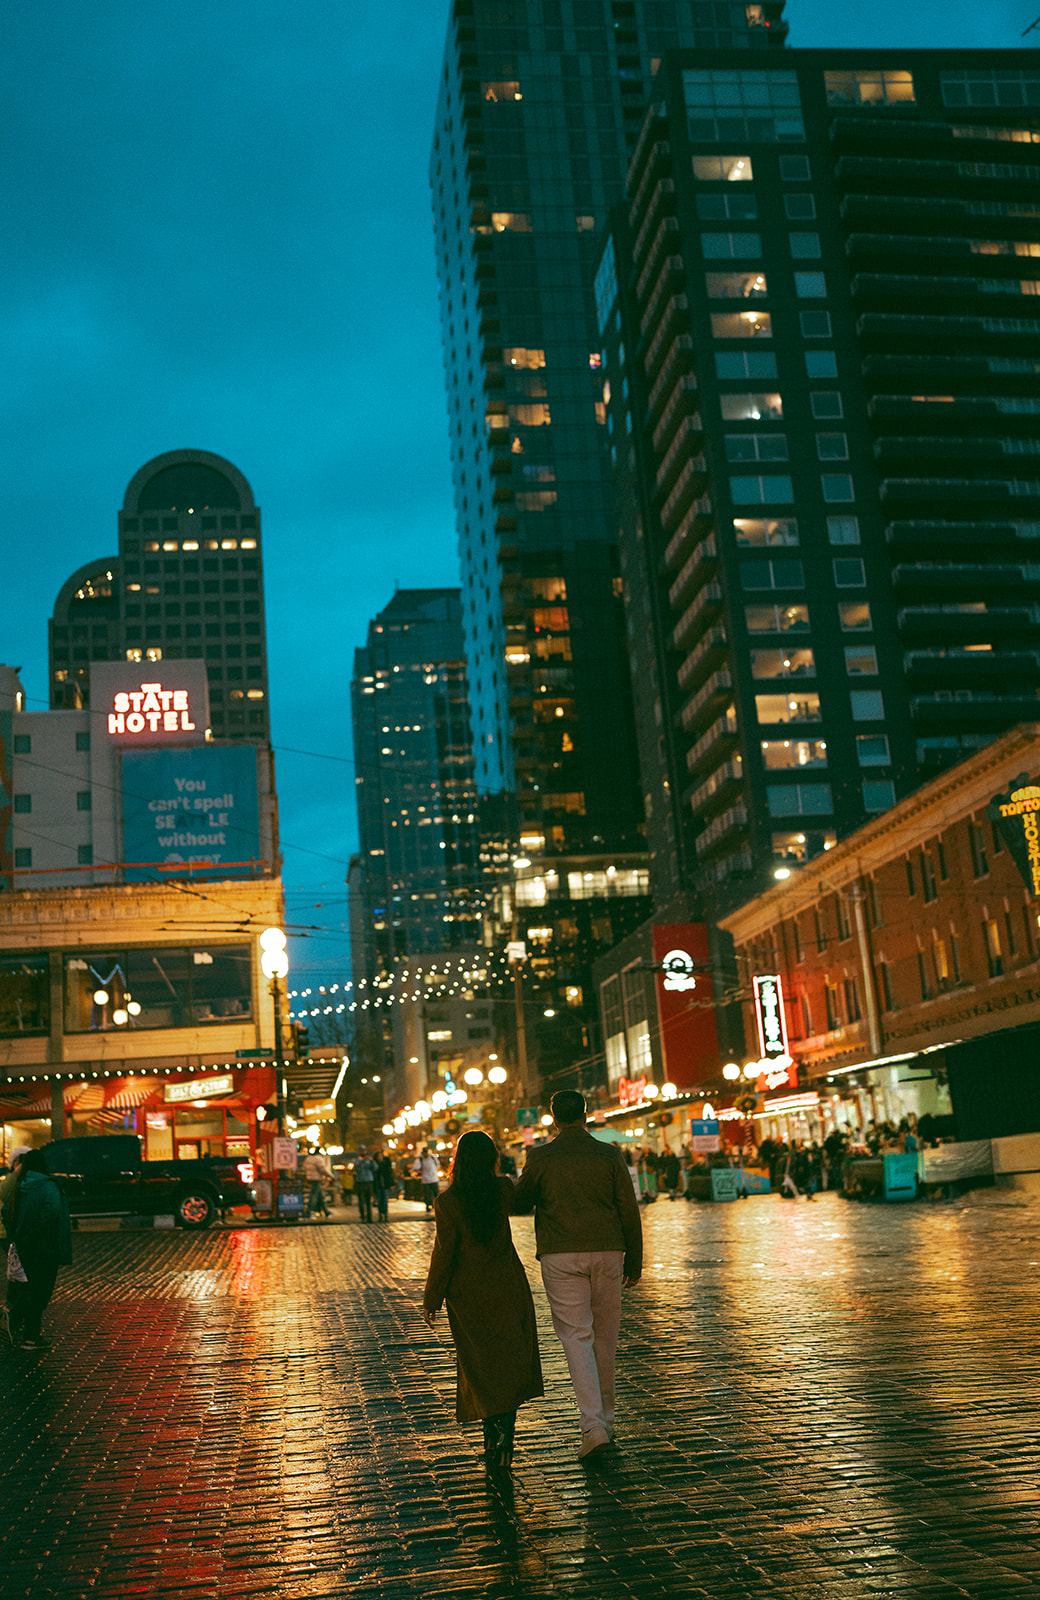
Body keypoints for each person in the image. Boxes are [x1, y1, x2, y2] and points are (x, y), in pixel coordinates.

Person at [512, 1089, 642, 1461]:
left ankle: (593, 1425)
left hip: (561, 1252)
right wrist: (634, 1260)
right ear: (586, 1115)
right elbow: (627, 1207)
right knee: (606, 1338)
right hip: (608, 1250)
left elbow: (520, 1202)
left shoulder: (541, 1157)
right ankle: (607, 1420)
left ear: (553, 1119)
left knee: (576, 1337)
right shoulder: (608, 1154)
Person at [423, 1130, 543, 1470]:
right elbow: (525, 1198)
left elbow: (444, 1254)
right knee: (508, 1358)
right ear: (492, 1158)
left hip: (468, 1292)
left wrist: (432, 1297)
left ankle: (492, 1433)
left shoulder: (447, 1202)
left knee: (480, 1364)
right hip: (507, 1285)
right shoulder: (502, 1189)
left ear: (457, 1161)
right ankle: (505, 1431)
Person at [1, 1147, 72, 1350]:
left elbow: (6, 1211)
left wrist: (17, 1233)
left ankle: (20, 1329)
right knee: (41, 1292)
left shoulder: (21, 1185)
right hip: (45, 1247)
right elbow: (51, 1213)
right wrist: (36, 1233)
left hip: (23, 1246)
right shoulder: (48, 1186)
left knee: (28, 1288)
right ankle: (29, 1335)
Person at [1, 1147, 30, 1345]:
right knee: (19, 1270)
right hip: (7, 1231)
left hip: (8, 1231)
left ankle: (13, 1306)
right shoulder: (13, 1177)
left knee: (17, 1269)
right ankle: (13, 1308)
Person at [302, 1147, 332, 1220]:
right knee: (313, 1197)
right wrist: (331, 1176)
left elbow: (304, 1168)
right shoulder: (319, 1159)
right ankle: (308, 1213)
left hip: (311, 1178)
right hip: (316, 1179)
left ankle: (327, 1212)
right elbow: (322, 1169)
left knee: (321, 1196)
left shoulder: (308, 1158)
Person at [354, 1152, 375, 1223]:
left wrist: (372, 1161)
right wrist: (362, 1161)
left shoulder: (369, 1161)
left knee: (368, 1200)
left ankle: (369, 1216)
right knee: (361, 1199)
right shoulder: (357, 1161)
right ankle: (362, 1215)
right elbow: (356, 1168)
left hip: (369, 1181)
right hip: (360, 1181)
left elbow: (375, 1168)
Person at [373, 1150, 394, 1222]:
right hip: (378, 1185)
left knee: (385, 1200)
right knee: (379, 1200)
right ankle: (381, 1214)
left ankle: (385, 1214)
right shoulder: (375, 1164)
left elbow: (389, 1174)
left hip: (385, 1184)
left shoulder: (385, 1164)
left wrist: (391, 1183)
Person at [419, 1147, 441, 1213]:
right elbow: (417, 1166)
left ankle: (437, 1206)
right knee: (427, 1194)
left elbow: (438, 1164)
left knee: (436, 1193)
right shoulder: (420, 1159)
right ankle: (428, 1206)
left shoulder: (432, 1157)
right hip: (425, 1180)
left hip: (433, 1178)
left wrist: (434, 1172)